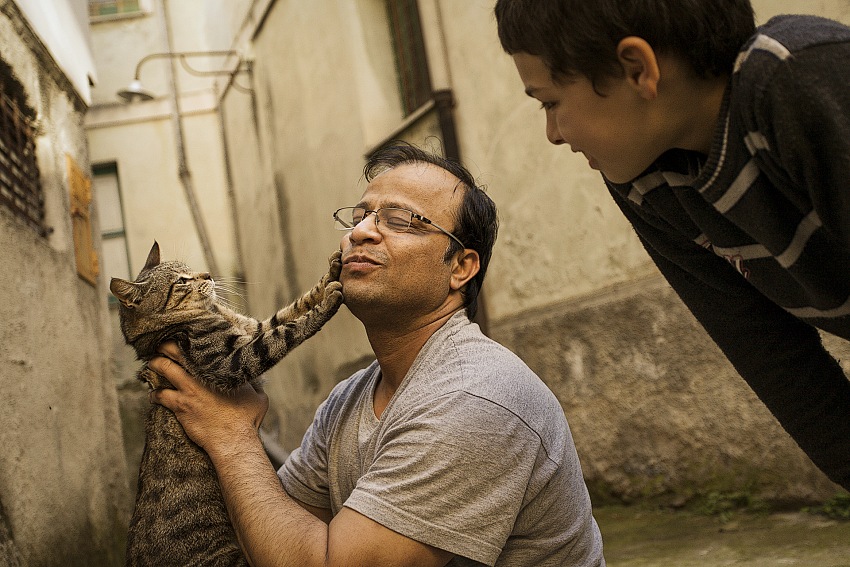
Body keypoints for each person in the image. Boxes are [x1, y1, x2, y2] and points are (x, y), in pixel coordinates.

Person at [149, 143, 605, 566]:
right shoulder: (350, 399)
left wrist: (232, 437)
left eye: (401, 220)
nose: (361, 233)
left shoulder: (474, 398)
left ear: (461, 267)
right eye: (360, 216)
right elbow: (268, 532)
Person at [494, 0, 850, 490]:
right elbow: (772, 356)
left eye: (550, 102)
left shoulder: (797, 80)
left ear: (637, 68)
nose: (553, 134)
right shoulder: (646, 182)